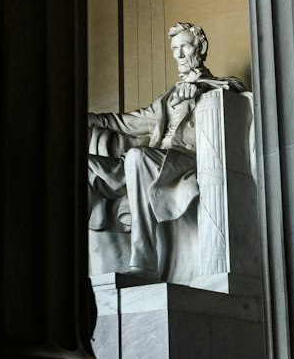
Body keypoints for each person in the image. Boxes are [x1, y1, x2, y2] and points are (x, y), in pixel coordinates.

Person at [88, 22, 245, 280]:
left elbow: (236, 89)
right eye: (174, 49)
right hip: (147, 164)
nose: (179, 54)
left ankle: (143, 261)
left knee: (138, 158)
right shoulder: (167, 98)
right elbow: (128, 122)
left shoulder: (220, 85)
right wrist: (91, 119)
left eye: (184, 46)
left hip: (184, 162)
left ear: (201, 47)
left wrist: (201, 89)